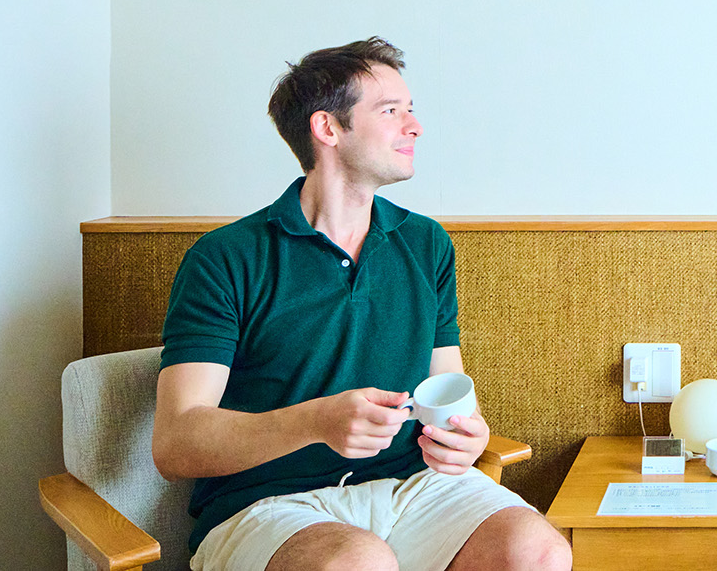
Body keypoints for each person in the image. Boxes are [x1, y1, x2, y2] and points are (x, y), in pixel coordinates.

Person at [152, 38, 570, 571]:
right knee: (357, 563)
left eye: (411, 109)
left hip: (414, 486)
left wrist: (469, 436)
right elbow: (175, 443)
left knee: (539, 552)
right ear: (328, 128)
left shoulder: (426, 244)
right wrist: (315, 422)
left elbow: (449, 384)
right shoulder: (225, 259)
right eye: (391, 111)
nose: (415, 127)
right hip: (268, 504)